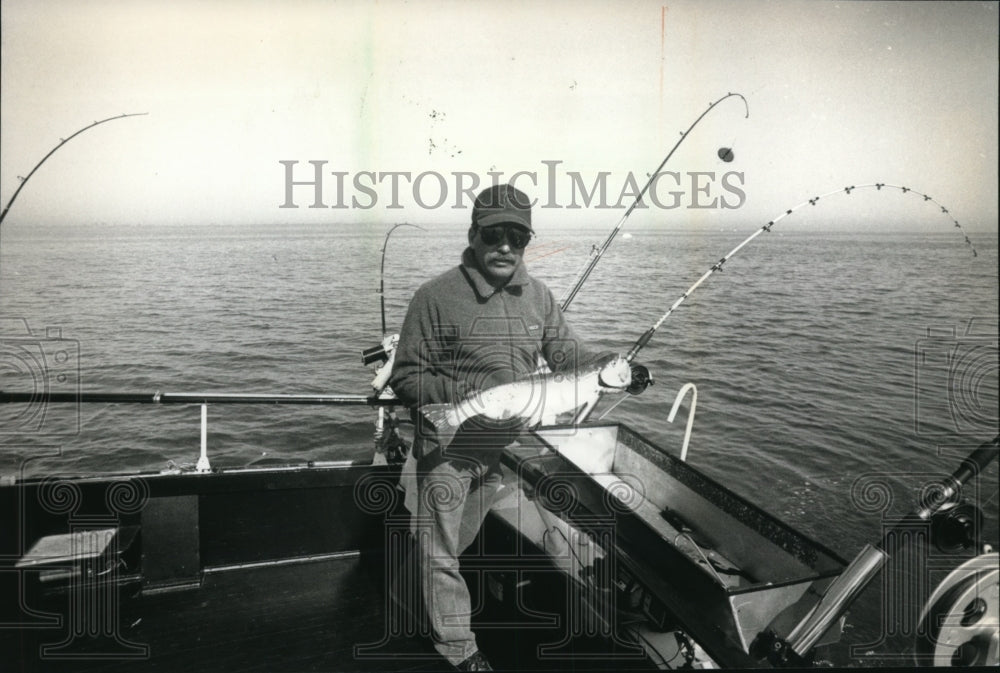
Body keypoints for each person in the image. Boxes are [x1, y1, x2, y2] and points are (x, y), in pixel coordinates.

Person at [389, 183, 608, 671]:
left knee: (452, 544)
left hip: (499, 450)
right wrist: (464, 402)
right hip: (447, 448)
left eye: (518, 235)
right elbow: (406, 375)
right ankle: (459, 651)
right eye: (495, 234)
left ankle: (407, 598)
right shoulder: (436, 296)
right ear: (474, 234)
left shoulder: (538, 296)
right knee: (442, 551)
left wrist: (614, 367)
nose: (506, 245)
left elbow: (568, 355)